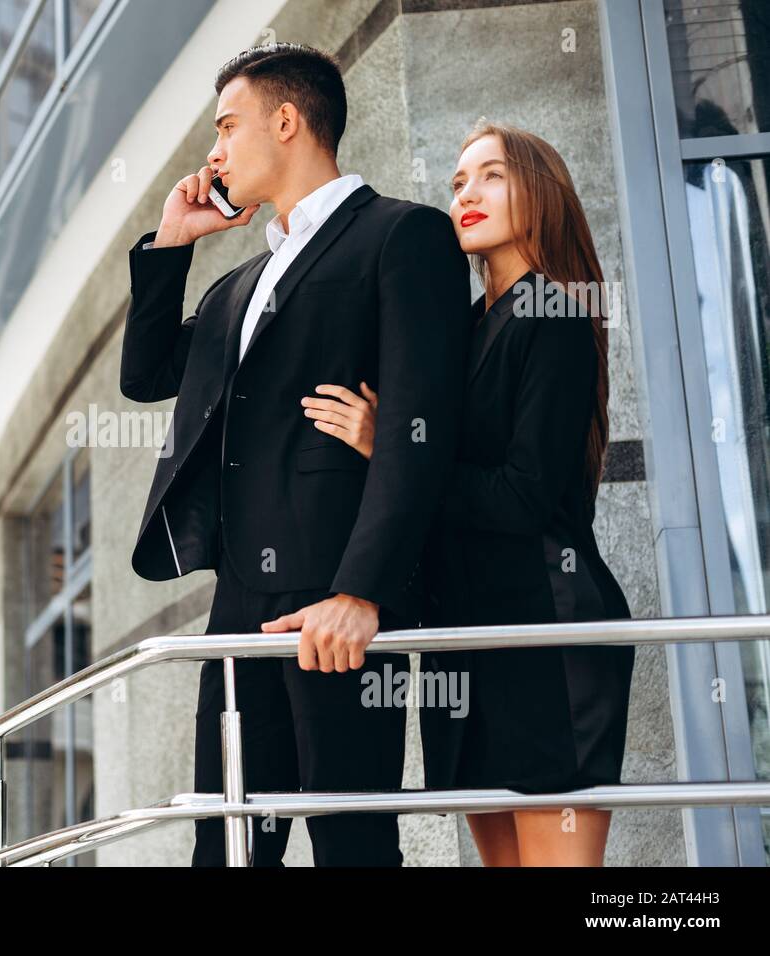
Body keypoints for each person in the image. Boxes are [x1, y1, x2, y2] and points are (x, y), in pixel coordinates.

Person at [118, 42, 472, 866]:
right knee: (230, 848)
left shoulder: (403, 235)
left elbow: (420, 429)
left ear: (287, 120)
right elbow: (147, 376)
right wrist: (174, 240)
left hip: (332, 604)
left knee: (352, 844)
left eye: (227, 126)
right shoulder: (238, 283)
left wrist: (363, 592)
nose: (214, 151)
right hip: (237, 610)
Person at [301, 120, 635, 866]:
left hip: (545, 632)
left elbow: (521, 497)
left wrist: (392, 453)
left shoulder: (553, 312)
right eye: (456, 183)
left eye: (491, 176)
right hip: (466, 641)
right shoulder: (466, 327)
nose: (467, 194)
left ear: (539, 193)